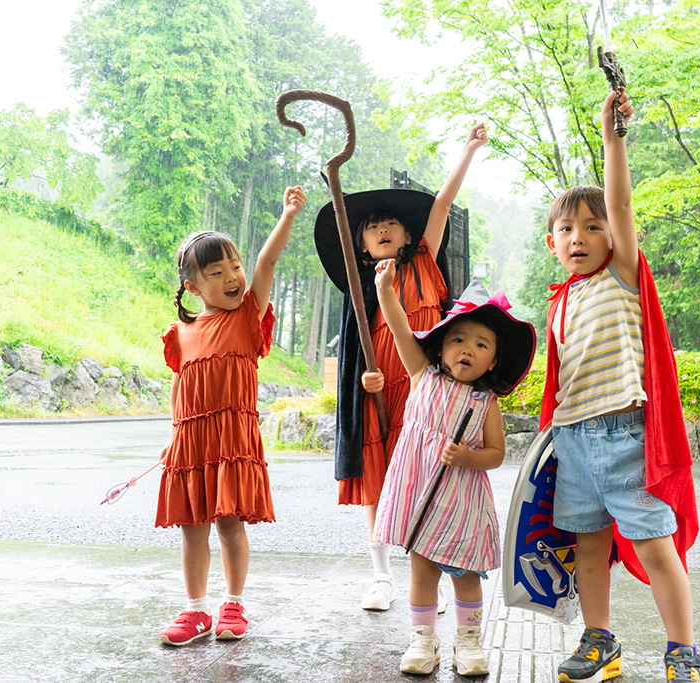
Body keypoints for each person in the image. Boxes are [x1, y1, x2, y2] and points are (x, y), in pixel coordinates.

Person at [539, 89, 700, 683]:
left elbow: (622, 204)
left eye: (592, 225)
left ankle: (681, 650)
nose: (579, 236)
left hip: (626, 434)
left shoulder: (623, 276)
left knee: (658, 544)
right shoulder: (561, 302)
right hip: (576, 439)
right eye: (566, 229)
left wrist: (613, 141)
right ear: (552, 243)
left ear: (612, 236)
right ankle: (599, 640)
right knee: (588, 544)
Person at [313, 124, 489, 611]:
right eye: (372, 227)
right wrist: (362, 380)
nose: (382, 229)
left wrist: (468, 152)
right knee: (379, 477)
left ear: (409, 235)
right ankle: (380, 573)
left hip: (428, 390)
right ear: (362, 245)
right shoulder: (362, 284)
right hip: (382, 387)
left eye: (390, 223)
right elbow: (357, 348)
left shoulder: (426, 263)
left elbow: (441, 204)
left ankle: (432, 563)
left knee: (430, 471)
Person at [155, 185, 307, 646]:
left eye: (234, 267)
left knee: (228, 524)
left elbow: (267, 264)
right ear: (193, 286)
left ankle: (233, 603)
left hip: (232, 439)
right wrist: (174, 437)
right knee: (191, 528)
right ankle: (196, 609)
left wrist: (286, 216)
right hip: (192, 443)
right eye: (217, 272)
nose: (233, 277)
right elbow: (182, 389)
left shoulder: (246, 316)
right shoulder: (181, 333)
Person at [370, 263, 536, 676]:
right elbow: (397, 326)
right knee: (422, 569)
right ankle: (423, 638)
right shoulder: (421, 374)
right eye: (458, 339)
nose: (467, 348)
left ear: (494, 362)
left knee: (465, 575)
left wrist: (467, 457)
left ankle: (469, 640)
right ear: (441, 346)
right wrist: (384, 288)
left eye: (481, 345)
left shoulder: (486, 404)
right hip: (420, 492)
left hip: (462, 502)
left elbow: (496, 453)